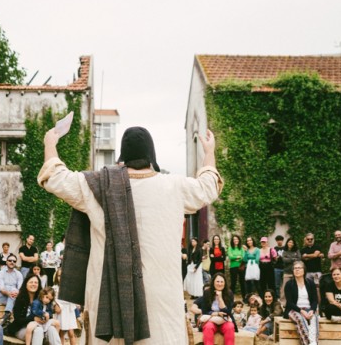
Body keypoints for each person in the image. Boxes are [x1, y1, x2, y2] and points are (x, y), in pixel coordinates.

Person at [38, 125, 222, 344]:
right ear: (151, 156)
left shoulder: (97, 186)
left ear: (122, 157)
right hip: (161, 300)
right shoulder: (174, 186)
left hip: (110, 301)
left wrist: (50, 143)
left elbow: (55, 177)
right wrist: (209, 151)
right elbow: (209, 185)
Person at [8, 274, 61, 345]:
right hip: (23, 329)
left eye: (36, 282)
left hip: (41, 327)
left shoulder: (43, 299)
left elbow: (48, 313)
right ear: (26, 284)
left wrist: (47, 317)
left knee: (51, 329)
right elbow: (18, 320)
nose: (33, 284)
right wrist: (33, 318)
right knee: (38, 330)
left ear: (39, 285)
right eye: (31, 282)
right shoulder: (20, 299)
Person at [190, 273, 236, 345]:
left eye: (222, 282)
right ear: (213, 282)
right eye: (217, 281)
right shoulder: (207, 292)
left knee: (230, 326)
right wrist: (217, 313)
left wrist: (220, 298)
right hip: (211, 320)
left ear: (225, 283)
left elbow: (228, 313)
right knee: (208, 327)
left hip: (224, 320)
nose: (219, 284)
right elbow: (204, 311)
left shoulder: (229, 293)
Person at [284, 261, 319, 345]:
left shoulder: (310, 283)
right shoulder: (289, 284)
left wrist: (312, 310)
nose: (297, 270)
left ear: (304, 270)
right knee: (301, 319)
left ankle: (313, 342)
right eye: (295, 268)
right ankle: (308, 343)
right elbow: (289, 302)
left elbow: (315, 300)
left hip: (308, 309)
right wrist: (301, 311)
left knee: (314, 318)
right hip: (294, 309)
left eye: (299, 268)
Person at [300, 233, 324, 303]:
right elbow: (304, 258)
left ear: (313, 239)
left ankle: (318, 306)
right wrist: (315, 255)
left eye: (311, 239)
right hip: (307, 273)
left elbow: (315, 255)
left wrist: (307, 255)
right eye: (308, 239)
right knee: (308, 289)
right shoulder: (303, 250)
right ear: (305, 240)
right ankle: (310, 304)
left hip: (316, 273)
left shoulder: (317, 247)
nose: (310, 240)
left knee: (317, 289)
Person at [280, 238, 301, 306]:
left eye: (292, 242)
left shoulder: (296, 250)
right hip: (287, 272)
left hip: (296, 272)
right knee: (284, 288)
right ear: (287, 243)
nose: (290, 244)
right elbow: (284, 260)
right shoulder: (285, 251)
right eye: (289, 242)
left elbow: (299, 259)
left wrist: (289, 258)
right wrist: (293, 259)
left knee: (296, 287)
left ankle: (296, 302)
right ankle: (283, 303)